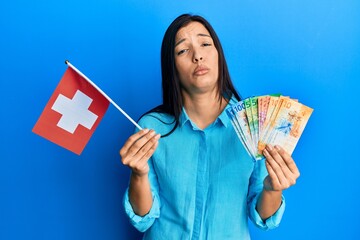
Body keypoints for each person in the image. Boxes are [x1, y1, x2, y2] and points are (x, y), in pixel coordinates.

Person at [120, 13, 300, 240]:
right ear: (171, 67)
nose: (198, 56)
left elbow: (263, 218)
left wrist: (274, 188)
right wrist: (138, 174)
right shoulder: (150, 128)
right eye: (183, 50)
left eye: (205, 44)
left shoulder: (255, 123)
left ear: (218, 55)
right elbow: (143, 217)